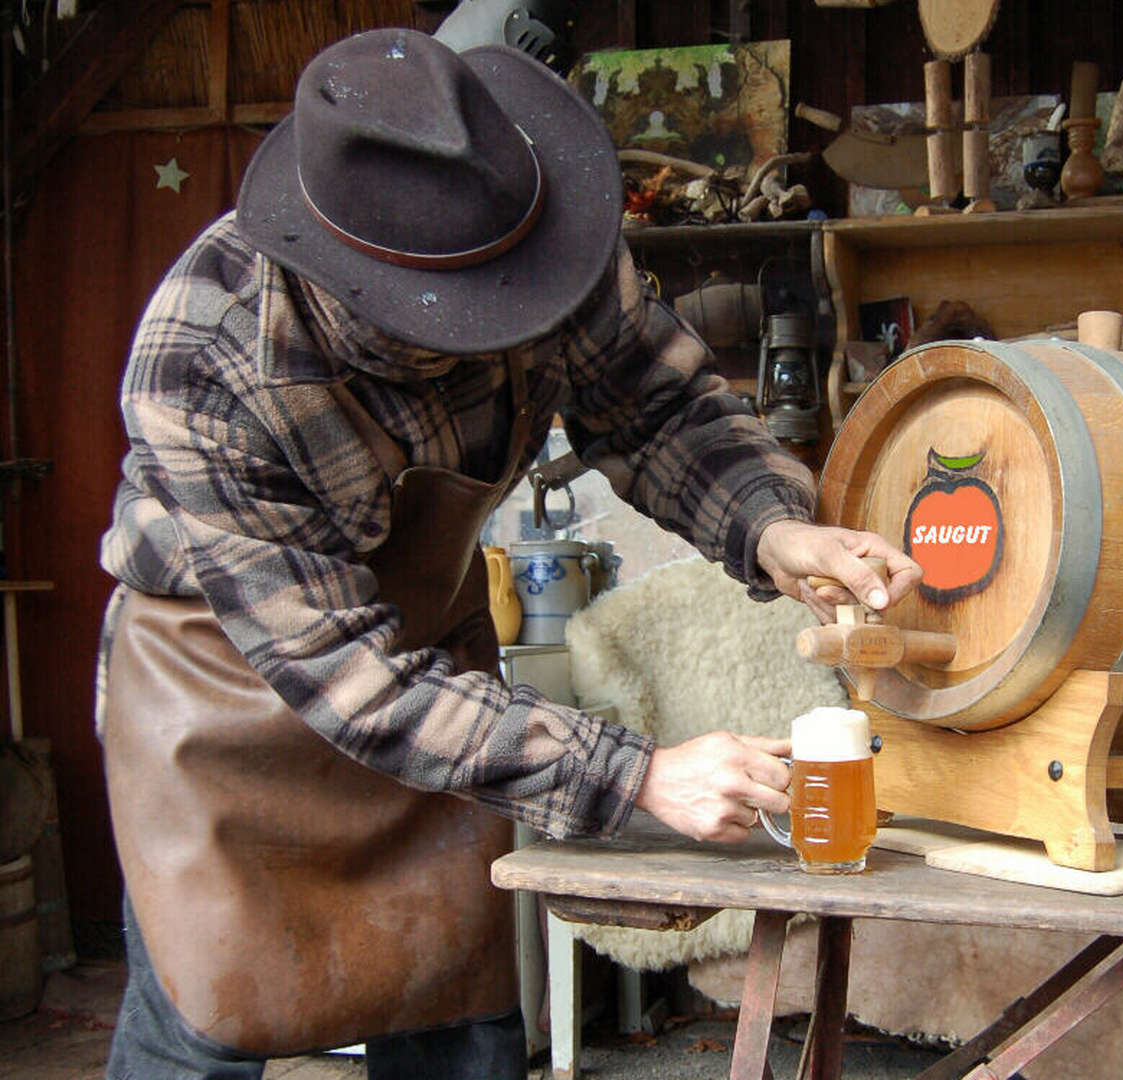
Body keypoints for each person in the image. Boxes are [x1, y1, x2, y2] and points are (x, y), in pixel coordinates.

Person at [95, 27, 921, 1080]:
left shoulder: (536, 231)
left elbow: (656, 407)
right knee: (204, 1029)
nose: (514, 325)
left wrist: (772, 526)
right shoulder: (206, 362)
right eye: (469, 315)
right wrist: (631, 773)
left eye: (515, 295)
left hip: (436, 670)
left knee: (459, 1017)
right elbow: (352, 685)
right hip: (235, 701)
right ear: (354, 287)